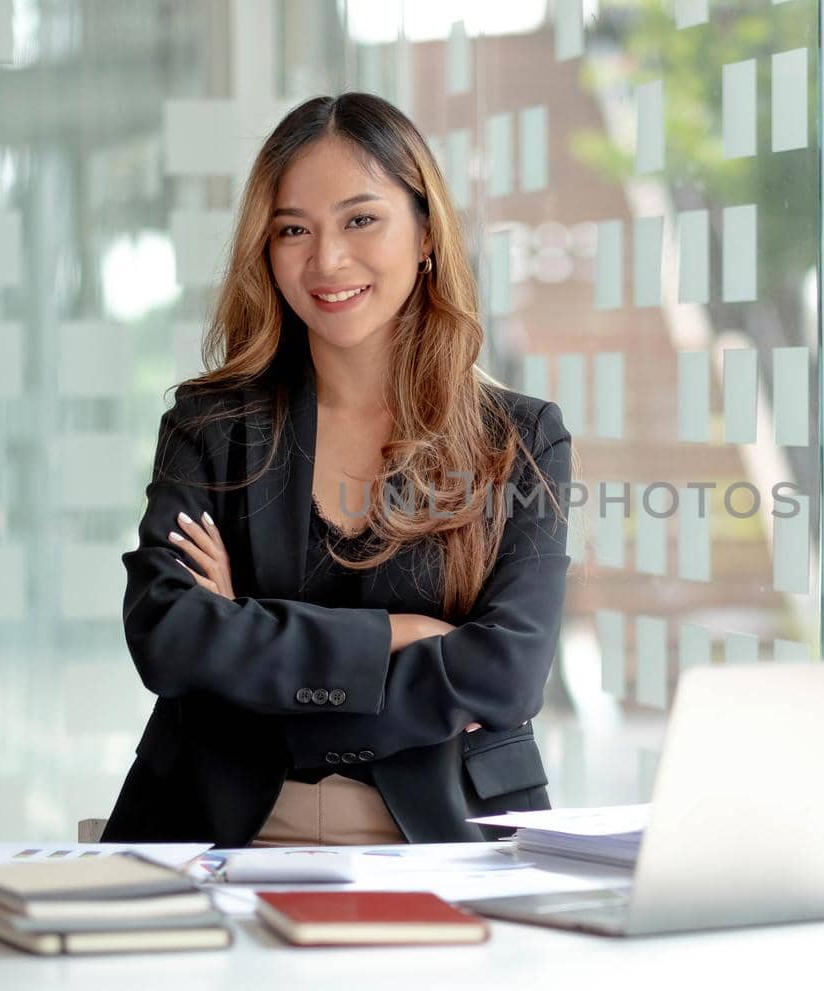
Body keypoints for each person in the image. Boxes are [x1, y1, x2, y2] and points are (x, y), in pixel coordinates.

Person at [101, 92, 573, 848]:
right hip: (215, 830)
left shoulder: (519, 439)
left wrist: (251, 652)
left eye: (361, 219)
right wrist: (399, 633)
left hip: (447, 833)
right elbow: (171, 635)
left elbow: (506, 675)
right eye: (294, 229)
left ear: (425, 232)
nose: (326, 260)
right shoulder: (209, 425)